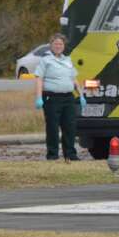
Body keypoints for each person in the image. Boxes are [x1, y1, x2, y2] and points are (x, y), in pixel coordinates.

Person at [34, 33, 86, 161]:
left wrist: (81, 95)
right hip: (51, 98)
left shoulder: (67, 60)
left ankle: (70, 154)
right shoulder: (45, 60)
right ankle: (52, 154)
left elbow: (73, 78)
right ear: (51, 45)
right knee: (52, 127)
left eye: (61, 44)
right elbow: (39, 78)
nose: (58, 46)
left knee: (70, 126)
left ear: (64, 46)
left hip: (68, 98)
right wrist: (38, 97)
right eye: (56, 44)